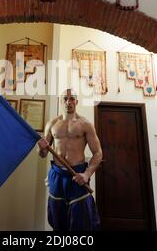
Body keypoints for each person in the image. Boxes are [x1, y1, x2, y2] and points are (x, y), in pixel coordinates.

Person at [37, 89, 102, 231]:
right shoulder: (52, 124)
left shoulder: (85, 124)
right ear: (61, 101)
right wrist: (41, 148)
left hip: (77, 175)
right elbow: (42, 154)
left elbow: (98, 153)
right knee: (57, 218)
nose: (68, 102)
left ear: (76, 101)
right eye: (65, 99)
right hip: (57, 175)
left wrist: (87, 174)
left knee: (81, 220)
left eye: (71, 98)